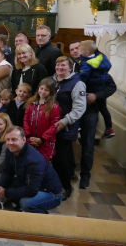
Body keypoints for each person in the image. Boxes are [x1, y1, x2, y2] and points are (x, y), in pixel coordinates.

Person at [0, 127, 63, 214]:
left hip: (52, 193)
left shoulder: (34, 160)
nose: (10, 143)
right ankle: (25, 209)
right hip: (32, 184)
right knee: (11, 189)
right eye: (8, 139)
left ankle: (44, 217)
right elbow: (7, 172)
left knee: (25, 203)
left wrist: (5, 192)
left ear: (24, 139)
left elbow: (31, 190)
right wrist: (0, 186)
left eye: (14, 139)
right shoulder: (10, 150)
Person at [51, 56, 86, 199]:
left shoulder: (77, 83)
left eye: (63, 65)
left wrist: (64, 122)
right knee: (51, 158)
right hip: (50, 126)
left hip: (64, 127)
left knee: (62, 159)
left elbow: (79, 108)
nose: (60, 68)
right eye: (58, 65)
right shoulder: (51, 80)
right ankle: (53, 184)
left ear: (70, 67)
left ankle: (66, 187)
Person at [79, 40, 115, 139]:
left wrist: (78, 79)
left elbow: (83, 76)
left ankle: (79, 125)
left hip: (91, 89)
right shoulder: (102, 57)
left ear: (86, 52)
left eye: (80, 50)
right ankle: (109, 128)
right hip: (101, 86)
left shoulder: (88, 63)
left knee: (83, 106)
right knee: (103, 109)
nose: (79, 52)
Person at [23, 78, 60, 162]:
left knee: (42, 164)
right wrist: (28, 136)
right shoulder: (31, 103)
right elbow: (26, 120)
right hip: (30, 140)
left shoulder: (54, 106)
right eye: (41, 88)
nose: (42, 92)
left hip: (46, 143)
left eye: (46, 90)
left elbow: (54, 125)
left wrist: (42, 139)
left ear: (51, 92)